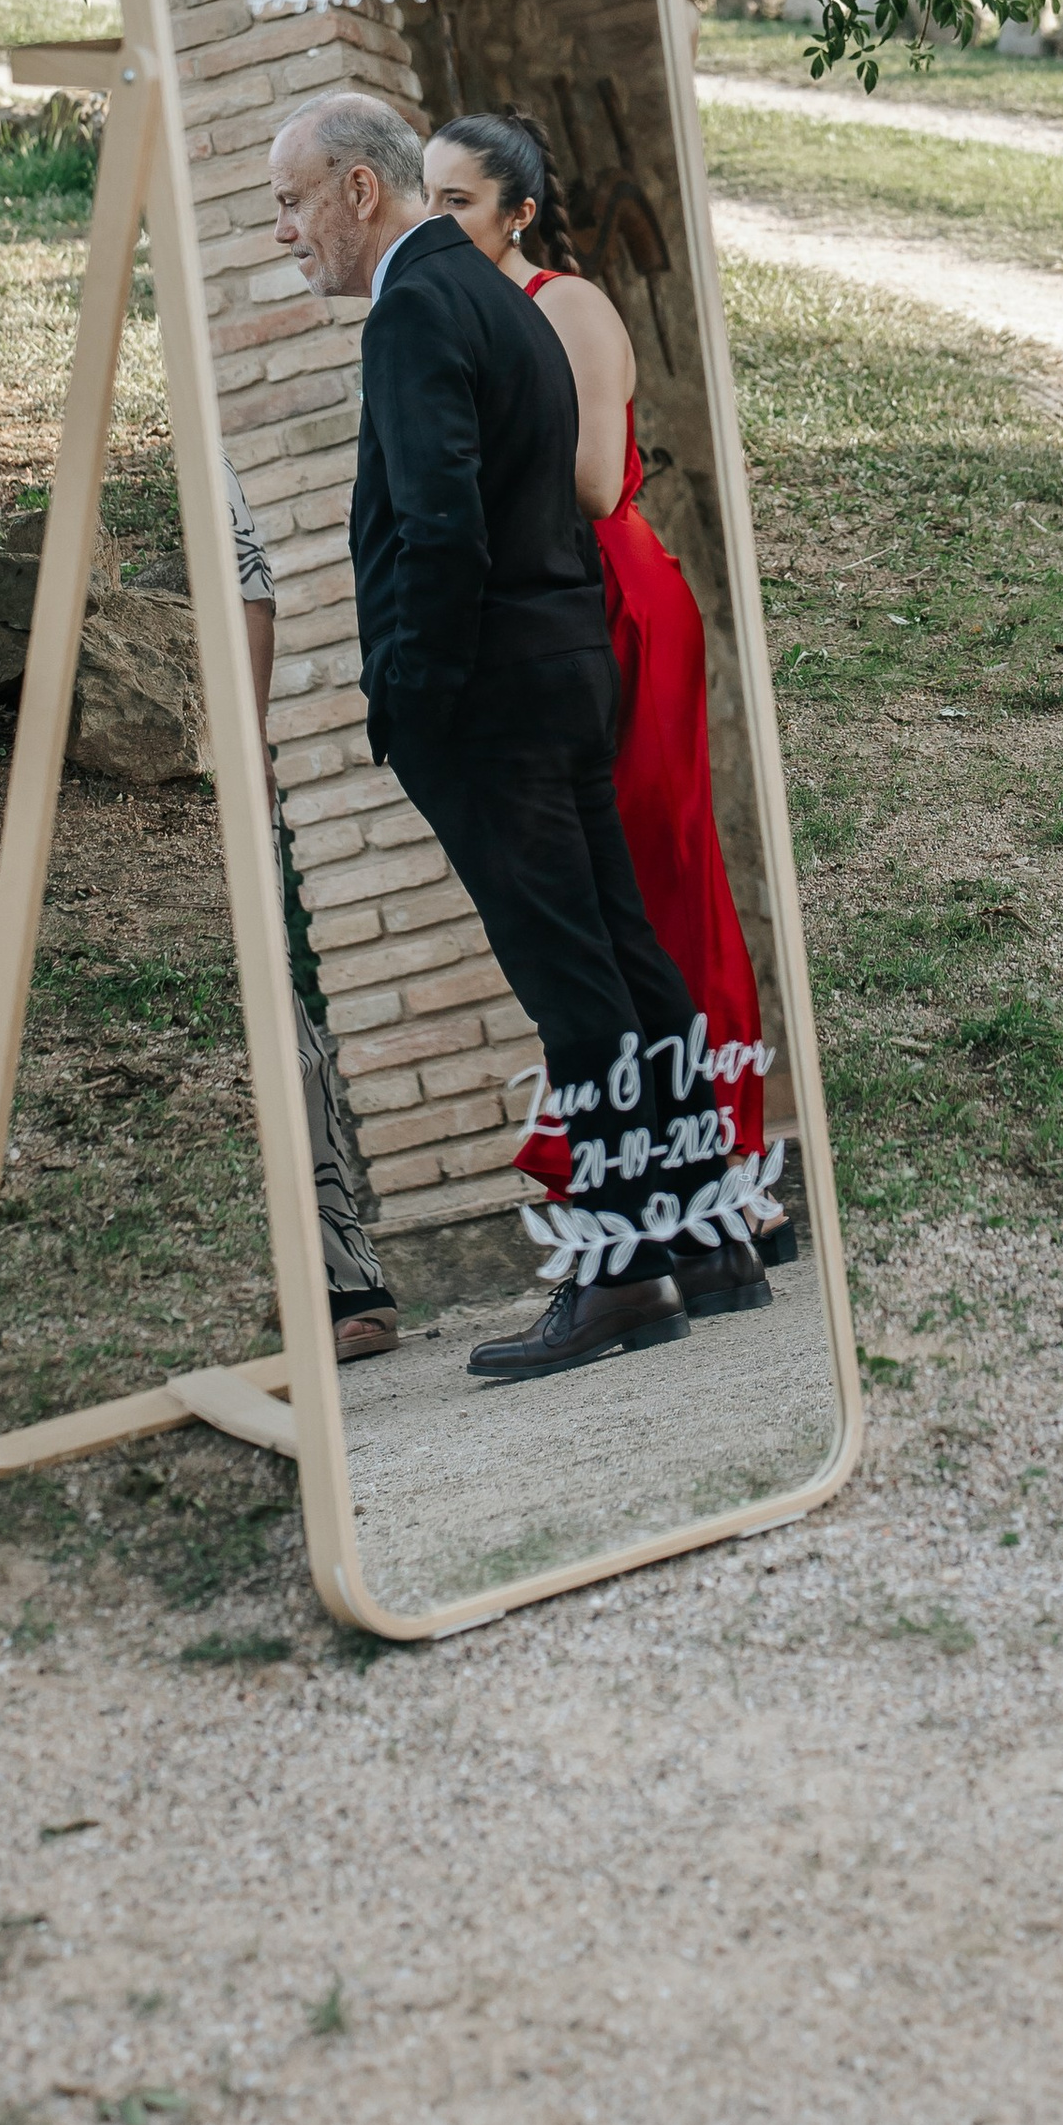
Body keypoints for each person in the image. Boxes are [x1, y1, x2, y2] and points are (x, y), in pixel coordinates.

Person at [267, 90, 767, 1378]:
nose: (285, 231)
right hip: (558, 673)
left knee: (572, 983)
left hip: (491, 696)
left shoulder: (421, 306)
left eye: (291, 201)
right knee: (626, 957)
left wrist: (414, 699)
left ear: (359, 191)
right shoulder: (497, 294)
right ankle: (703, 1233)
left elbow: (439, 528)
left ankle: (616, 1273)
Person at [420, 110, 790, 1271]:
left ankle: (732, 1178)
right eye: (423, 201)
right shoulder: (463, 319)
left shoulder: (562, 305)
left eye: (457, 207)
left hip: (616, 598)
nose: (438, 227)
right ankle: (672, 1172)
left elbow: (586, 482)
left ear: (516, 214)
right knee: (602, 896)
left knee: (656, 880)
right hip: (557, 612)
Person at [220, 452, 400, 1362]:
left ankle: (342, 1281)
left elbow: (249, 583)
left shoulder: (208, 456)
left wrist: (246, 750)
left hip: (208, 776)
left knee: (282, 1028)